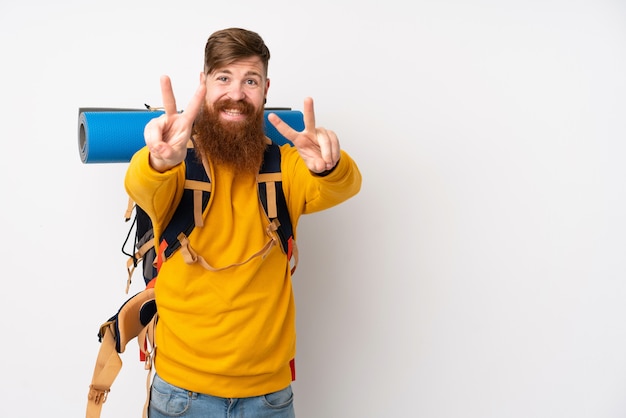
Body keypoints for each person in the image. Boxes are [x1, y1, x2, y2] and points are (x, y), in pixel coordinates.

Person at [124, 27, 361, 417]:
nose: (236, 93)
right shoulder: (174, 164)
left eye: (249, 80)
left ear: (265, 88)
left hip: (269, 398)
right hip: (181, 395)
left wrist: (330, 168)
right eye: (223, 78)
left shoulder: (285, 167)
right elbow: (140, 182)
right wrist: (158, 162)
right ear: (203, 83)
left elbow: (341, 188)